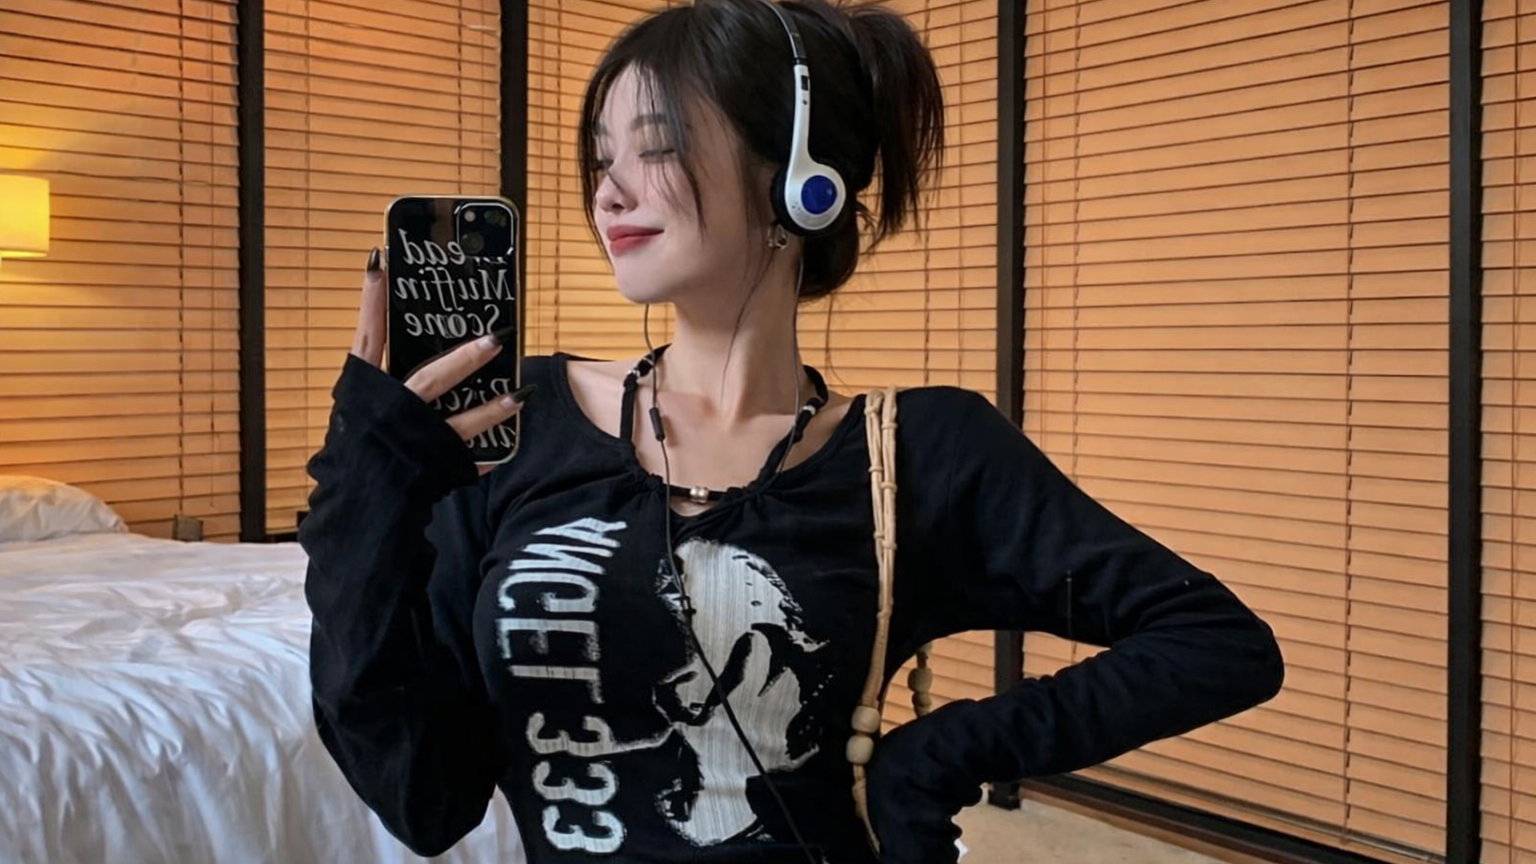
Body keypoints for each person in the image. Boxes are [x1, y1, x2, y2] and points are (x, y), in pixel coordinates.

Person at [299, 1, 1286, 862]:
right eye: (601, 157)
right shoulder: (524, 422)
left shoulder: (919, 452)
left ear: (800, 177)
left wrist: (933, 759)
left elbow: (1216, 641)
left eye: (655, 146)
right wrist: (365, 494)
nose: (608, 191)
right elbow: (424, 800)